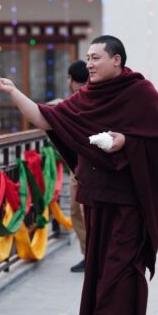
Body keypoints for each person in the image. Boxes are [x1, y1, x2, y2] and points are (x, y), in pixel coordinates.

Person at [0, 35, 158, 315]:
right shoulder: (88, 96)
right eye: (88, 58)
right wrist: (13, 92)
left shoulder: (141, 92)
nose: (89, 64)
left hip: (131, 196)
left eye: (96, 58)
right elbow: (45, 118)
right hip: (97, 194)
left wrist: (126, 141)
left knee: (119, 260)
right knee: (109, 261)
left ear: (117, 61)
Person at [66, 60, 89, 273]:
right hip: (85, 163)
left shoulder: (76, 101)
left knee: (78, 212)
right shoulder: (92, 96)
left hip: (81, 165)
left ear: (71, 79)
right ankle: (91, 255)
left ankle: (90, 255)